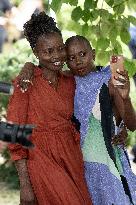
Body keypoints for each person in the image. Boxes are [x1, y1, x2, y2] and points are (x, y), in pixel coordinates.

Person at [19, 35, 136, 205]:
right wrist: (28, 66)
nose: (78, 61)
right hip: (80, 169)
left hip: (110, 165)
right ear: (66, 62)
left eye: (83, 54)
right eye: (72, 58)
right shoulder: (67, 82)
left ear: (93, 54)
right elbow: (41, 72)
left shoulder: (108, 80)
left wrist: (125, 99)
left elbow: (132, 125)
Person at [7, 12, 92, 205]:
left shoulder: (71, 80)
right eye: (48, 51)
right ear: (36, 53)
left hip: (72, 156)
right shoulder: (26, 83)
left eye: (60, 49)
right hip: (41, 157)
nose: (57, 56)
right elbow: (12, 132)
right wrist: (25, 184)